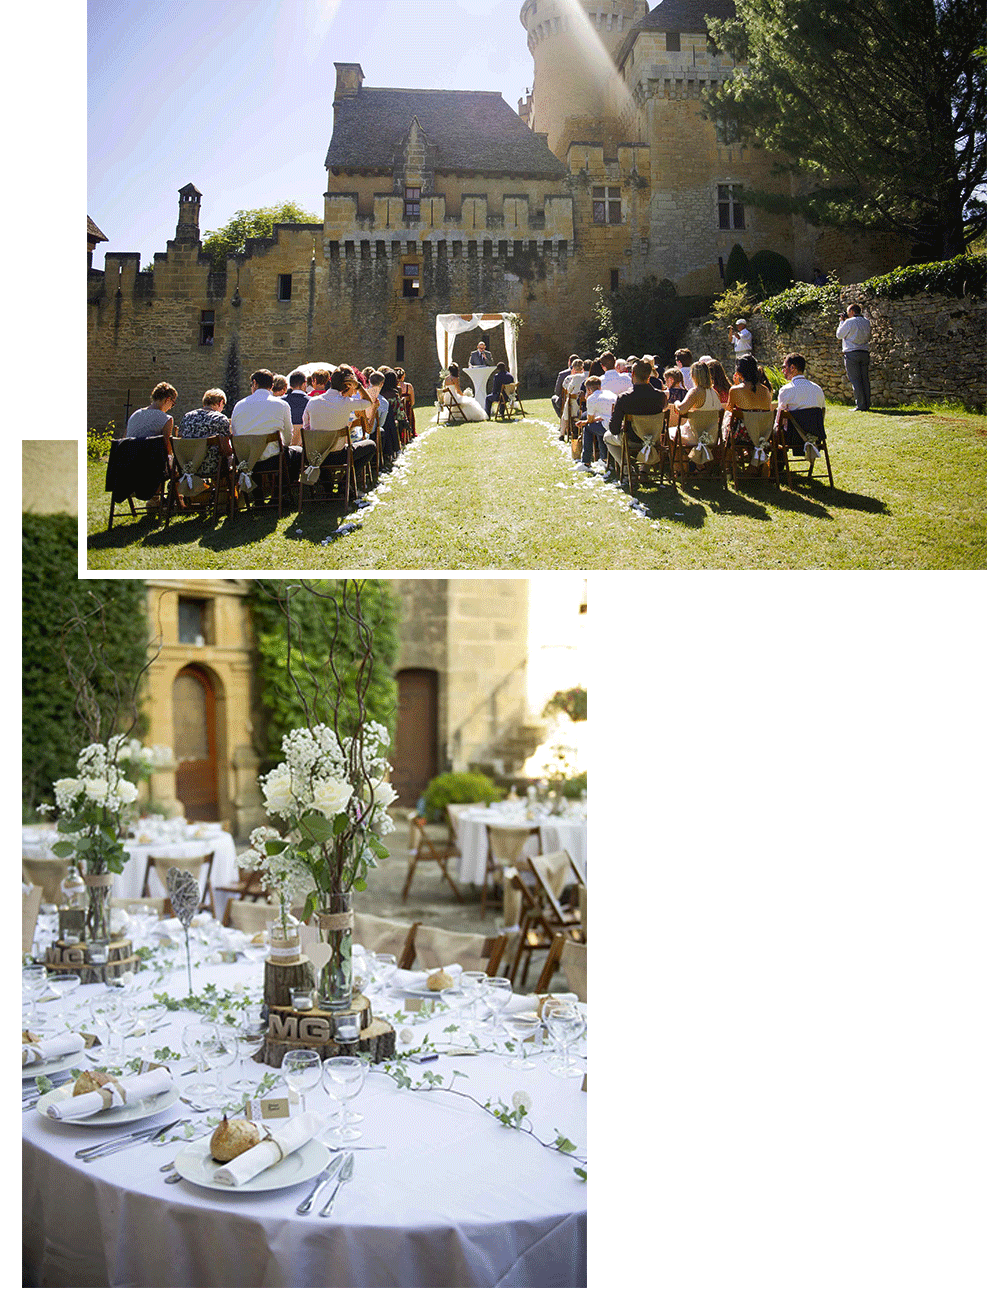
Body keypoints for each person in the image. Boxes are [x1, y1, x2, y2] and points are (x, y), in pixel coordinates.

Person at [229, 368, 299, 504]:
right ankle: (280, 494)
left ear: (254, 383)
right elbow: (287, 437)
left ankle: (258, 496)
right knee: (297, 454)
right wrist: (283, 446)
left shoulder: (239, 405)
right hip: (273, 459)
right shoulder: (281, 405)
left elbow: (235, 433)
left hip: (247, 460)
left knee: (254, 454)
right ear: (272, 386)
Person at [301, 364, 377, 479]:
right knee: (371, 445)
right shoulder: (346, 402)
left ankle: (326, 487)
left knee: (323, 453)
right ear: (346, 386)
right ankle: (346, 481)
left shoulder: (312, 402)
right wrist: (359, 386)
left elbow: (306, 427)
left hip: (315, 455)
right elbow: (368, 402)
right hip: (338, 455)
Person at [605, 358, 666, 481]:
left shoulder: (624, 398)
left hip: (632, 439)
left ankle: (628, 470)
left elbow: (614, 429)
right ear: (649, 375)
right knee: (649, 436)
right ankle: (644, 470)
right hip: (652, 438)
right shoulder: (660, 396)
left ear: (632, 374)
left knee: (607, 437)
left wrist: (623, 425)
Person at [671, 360, 723, 469]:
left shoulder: (695, 392)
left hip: (695, 436)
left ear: (694, 376)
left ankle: (680, 468)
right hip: (711, 436)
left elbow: (681, 409)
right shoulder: (715, 393)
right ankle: (700, 465)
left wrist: (676, 403)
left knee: (670, 433)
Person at [177, 388, 232, 479]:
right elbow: (226, 449)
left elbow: (180, 440)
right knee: (230, 460)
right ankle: (223, 491)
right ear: (220, 402)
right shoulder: (220, 419)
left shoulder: (187, 416)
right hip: (211, 467)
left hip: (187, 465)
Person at [837, 302, 872, 410]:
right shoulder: (866, 322)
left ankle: (860, 405)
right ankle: (867, 403)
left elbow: (839, 335)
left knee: (856, 380)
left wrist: (842, 322)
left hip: (852, 352)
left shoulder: (849, 322)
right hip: (864, 352)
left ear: (852, 312)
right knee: (865, 379)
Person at [576, 375, 617, 467]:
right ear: (599, 386)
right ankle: (604, 457)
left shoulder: (592, 398)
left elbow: (590, 420)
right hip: (615, 424)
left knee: (588, 428)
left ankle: (586, 461)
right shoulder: (610, 394)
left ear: (589, 390)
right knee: (597, 426)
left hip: (606, 425)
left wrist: (585, 422)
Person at [285, 371, 310, 446]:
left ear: (291, 386)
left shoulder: (282, 402)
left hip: (286, 445)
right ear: (304, 384)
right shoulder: (311, 402)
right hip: (305, 444)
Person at [395, 367, 417, 440]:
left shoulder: (394, 387)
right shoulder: (408, 386)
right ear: (403, 376)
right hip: (407, 409)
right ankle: (410, 434)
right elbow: (412, 402)